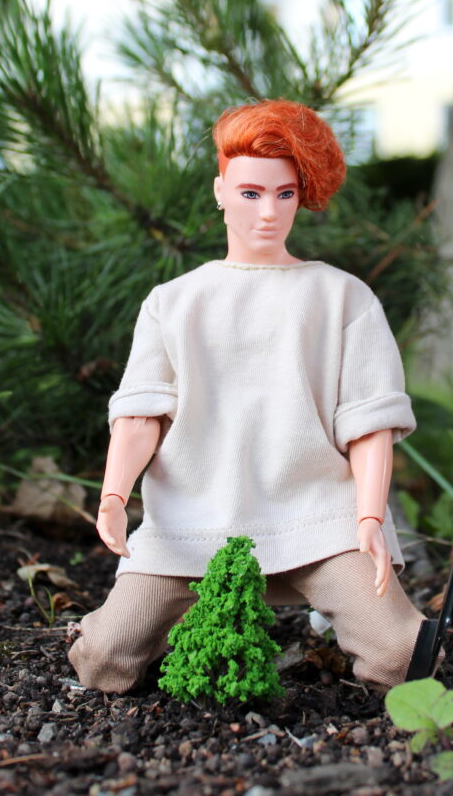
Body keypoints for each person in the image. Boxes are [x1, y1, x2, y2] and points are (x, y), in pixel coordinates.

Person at [68, 98, 427, 694]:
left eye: (285, 194)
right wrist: (113, 495)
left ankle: (315, 617)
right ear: (220, 191)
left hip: (318, 519)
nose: (268, 212)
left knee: (401, 657)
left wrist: (368, 515)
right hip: (193, 519)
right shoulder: (173, 302)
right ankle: (201, 623)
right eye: (251, 193)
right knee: (103, 660)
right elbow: (140, 414)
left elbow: (369, 423)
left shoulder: (343, 298)